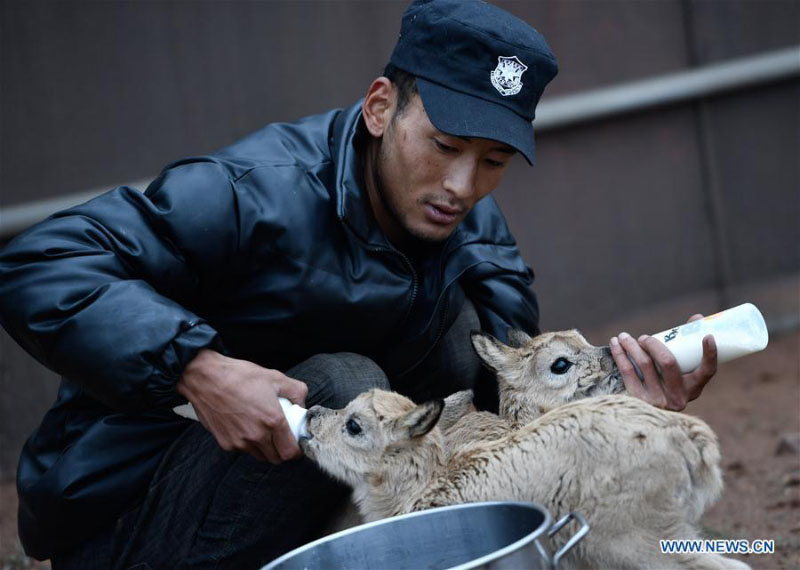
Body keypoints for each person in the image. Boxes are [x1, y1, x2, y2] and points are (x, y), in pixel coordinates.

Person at [0, 1, 719, 568]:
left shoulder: (470, 233)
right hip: (132, 521)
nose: (464, 186)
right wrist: (199, 371)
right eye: (443, 146)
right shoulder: (255, 193)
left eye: (494, 160)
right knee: (347, 385)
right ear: (381, 109)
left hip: (297, 496)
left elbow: (507, 416)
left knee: (466, 354)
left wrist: (616, 412)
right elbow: (38, 263)